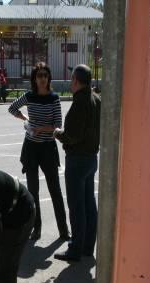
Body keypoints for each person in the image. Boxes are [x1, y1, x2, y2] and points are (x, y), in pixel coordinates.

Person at [9, 63, 69, 242]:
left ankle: (64, 231)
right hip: (31, 149)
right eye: (39, 75)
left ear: (49, 78)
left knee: (55, 190)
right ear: (34, 79)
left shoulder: (54, 98)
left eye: (45, 75)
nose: (42, 78)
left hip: (48, 149)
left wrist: (40, 128)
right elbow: (12, 108)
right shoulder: (29, 96)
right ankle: (36, 229)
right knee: (33, 191)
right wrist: (26, 120)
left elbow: (58, 125)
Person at [53, 64, 100, 263]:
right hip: (90, 159)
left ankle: (75, 249)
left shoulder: (80, 102)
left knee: (76, 206)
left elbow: (73, 135)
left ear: (75, 81)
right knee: (89, 204)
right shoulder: (96, 99)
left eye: (72, 79)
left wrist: (58, 134)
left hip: (77, 160)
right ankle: (88, 246)